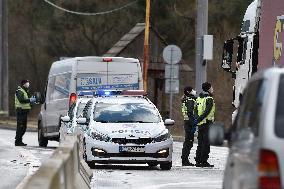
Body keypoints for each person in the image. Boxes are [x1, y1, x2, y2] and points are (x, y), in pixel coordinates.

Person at [195, 82, 215, 167]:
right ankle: (204, 161)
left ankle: (198, 161)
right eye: (211, 87)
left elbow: (195, 110)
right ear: (209, 88)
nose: (212, 89)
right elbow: (207, 111)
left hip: (200, 124)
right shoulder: (209, 99)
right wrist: (200, 119)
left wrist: (197, 120)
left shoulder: (199, 98)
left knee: (200, 143)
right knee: (206, 143)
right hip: (207, 123)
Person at [15, 79, 36, 146]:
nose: (28, 84)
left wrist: (32, 102)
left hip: (24, 112)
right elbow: (21, 100)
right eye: (27, 83)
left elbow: (27, 101)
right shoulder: (20, 91)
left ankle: (19, 140)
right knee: (21, 127)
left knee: (23, 127)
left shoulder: (25, 91)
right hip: (20, 111)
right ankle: (18, 141)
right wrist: (30, 100)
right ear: (23, 84)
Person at [181, 86, 197, 166]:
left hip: (186, 122)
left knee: (187, 142)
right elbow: (190, 112)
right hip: (189, 123)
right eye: (191, 90)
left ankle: (184, 159)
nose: (194, 91)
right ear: (188, 91)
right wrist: (193, 123)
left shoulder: (185, 100)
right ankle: (185, 160)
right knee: (188, 143)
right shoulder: (190, 100)